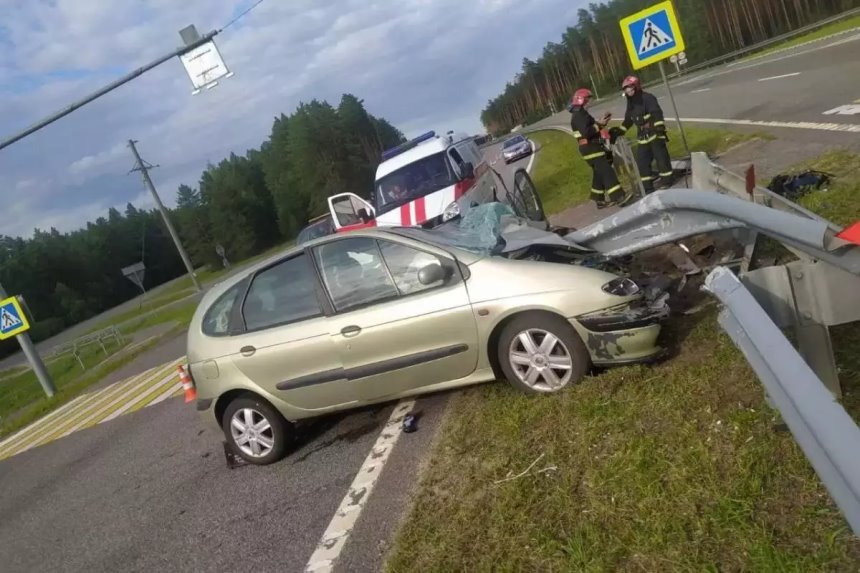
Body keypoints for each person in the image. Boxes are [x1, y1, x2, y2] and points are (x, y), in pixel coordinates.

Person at [609, 75, 674, 193]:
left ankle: (667, 181)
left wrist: (659, 126)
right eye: (626, 89)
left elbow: (657, 113)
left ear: (636, 86)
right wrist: (619, 131)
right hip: (642, 136)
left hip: (655, 132)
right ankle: (647, 188)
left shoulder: (648, 98)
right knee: (642, 162)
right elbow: (629, 120)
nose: (628, 91)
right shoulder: (631, 103)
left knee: (661, 158)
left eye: (630, 88)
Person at [568, 88, 629, 209]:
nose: (590, 102)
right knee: (607, 172)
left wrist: (601, 123)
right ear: (582, 100)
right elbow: (587, 132)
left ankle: (598, 199)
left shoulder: (581, 114)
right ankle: (619, 197)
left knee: (599, 173)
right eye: (588, 100)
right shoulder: (579, 115)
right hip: (591, 149)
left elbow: (591, 128)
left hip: (591, 147)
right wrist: (599, 124)